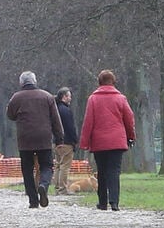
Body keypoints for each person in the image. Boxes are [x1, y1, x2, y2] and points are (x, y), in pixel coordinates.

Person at [79, 70, 135, 211]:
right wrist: (131, 136)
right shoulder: (121, 98)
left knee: (102, 171)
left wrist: (84, 142)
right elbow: (129, 119)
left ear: (99, 82)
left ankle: (102, 202)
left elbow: (88, 122)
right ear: (113, 81)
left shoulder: (93, 99)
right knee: (114, 171)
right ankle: (114, 202)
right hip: (117, 141)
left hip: (99, 142)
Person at [6, 71, 64, 208]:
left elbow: (10, 115)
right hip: (43, 137)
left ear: (21, 83)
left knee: (27, 169)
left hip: (25, 138)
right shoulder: (47, 96)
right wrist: (59, 138)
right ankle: (43, 184)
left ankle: (33, 201)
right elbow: (56, 119)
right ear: (35, 81)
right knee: (47, 165)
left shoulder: (16, 97)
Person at [52, 87, 79, 195]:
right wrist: (75, 140)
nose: (70, 98)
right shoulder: (65, 110)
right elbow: (70, 127)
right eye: (69, 96)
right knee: (64, 166)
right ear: (64, 97)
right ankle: (63, 189)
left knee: (58, 165)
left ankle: (57, 188)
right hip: (66, 142)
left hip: (56, 141)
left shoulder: (55, 109)